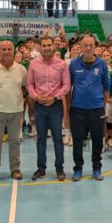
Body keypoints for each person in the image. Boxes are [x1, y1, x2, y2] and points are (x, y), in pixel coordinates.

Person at [27, 36, 71, 181]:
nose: (46, 47)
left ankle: (60, 169)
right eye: (44, 45)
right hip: (39, 105)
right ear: (39, 47)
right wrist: (35, 96)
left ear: (53, 46)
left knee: (58, 138)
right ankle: (41, 169)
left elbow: (66, 85)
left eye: (49, 45)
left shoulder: (62, 64)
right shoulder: (33, 64)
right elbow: (29, 85)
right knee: (41, 139)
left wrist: (55, 97)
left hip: (55, 105)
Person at [0, 40, 28, 181]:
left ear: (14, 51)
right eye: (4, 49)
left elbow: (24, 88)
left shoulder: (21, 69)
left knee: (14, 141)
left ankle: (15, 169)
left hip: (16, 111)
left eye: (10, 49)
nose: (7, 52)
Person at [68, 36, 111, 181]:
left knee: (97, 140)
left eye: (90, 45)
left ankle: (97, 168)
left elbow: (106, 87)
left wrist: (103, 106)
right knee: (78, 140)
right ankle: (78, 169)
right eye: (85, 45)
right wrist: (68, 110)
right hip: (77, 109)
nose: (87, 48)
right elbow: (69, 87)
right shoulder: (73, 64)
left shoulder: (102, 64)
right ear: (80, 47)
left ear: (95, 47)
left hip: (96, 109)